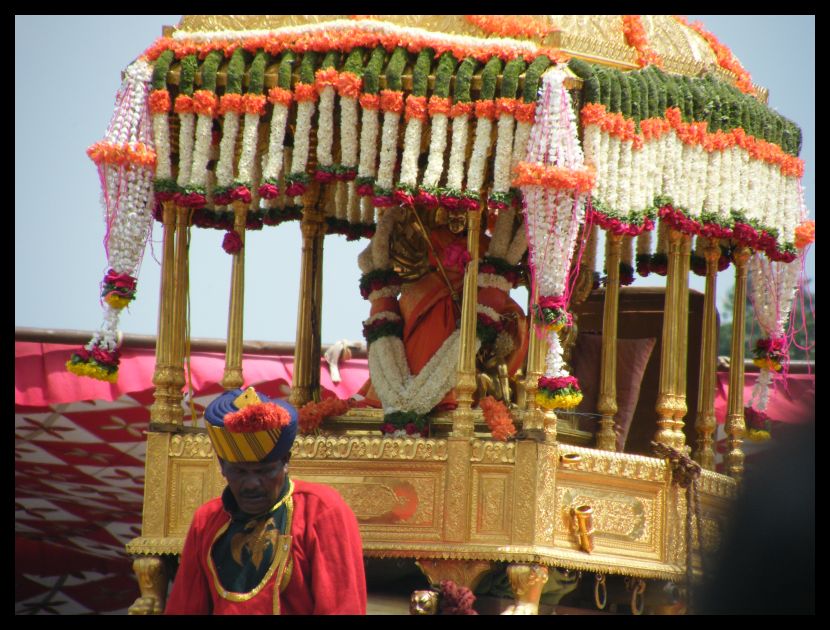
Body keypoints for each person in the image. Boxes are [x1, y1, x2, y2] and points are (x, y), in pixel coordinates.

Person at [165, 386, 367, 615]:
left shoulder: (321, 511)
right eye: (240, 472)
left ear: (285, 461)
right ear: (222, 466)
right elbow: (185, 607)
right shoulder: (207, 520)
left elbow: (342, 607)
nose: (252, 484)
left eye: (264, 471)